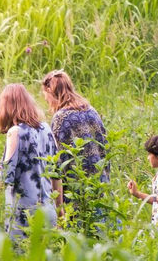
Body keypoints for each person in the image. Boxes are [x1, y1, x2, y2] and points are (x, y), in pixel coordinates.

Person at [0, 83, 61, 243]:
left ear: (6, 107)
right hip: (48, 213)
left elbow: (4, 177)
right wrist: (60, 212)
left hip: (25, 216)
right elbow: (57, 174)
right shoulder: (46, 129)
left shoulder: (16, 132)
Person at [40, 70, 110, 222]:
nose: (47, 103)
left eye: (47, 98)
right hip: (99, 185)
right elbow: (105, 148)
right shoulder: (92, 111)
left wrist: (58, 206)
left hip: (76, 193)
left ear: (51, 92)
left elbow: (56, 163)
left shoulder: (60, 118)